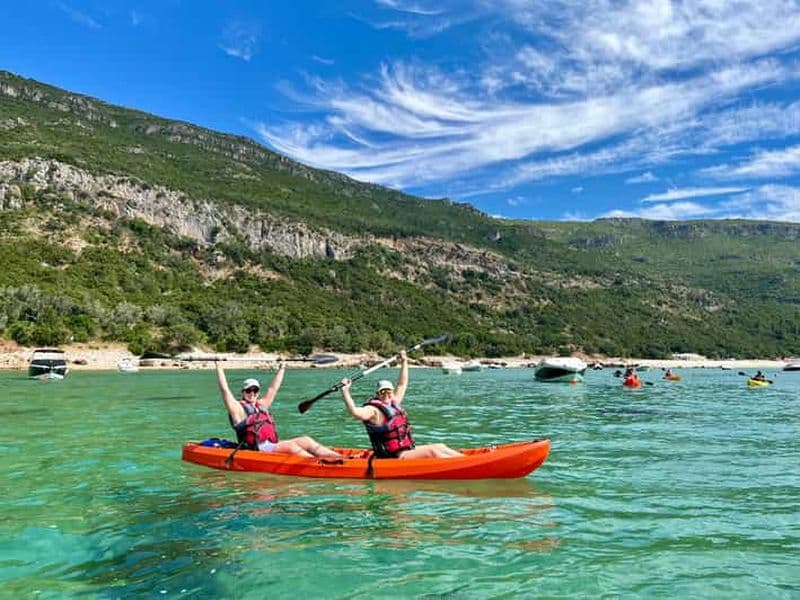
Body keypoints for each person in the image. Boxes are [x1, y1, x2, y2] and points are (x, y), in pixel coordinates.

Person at [339, 350, 464, 459]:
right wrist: (345, 391)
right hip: (394, 455)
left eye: (389, 391)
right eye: (382, 392)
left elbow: (402, 383)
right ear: (377, 394)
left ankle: (466, 460)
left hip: (406, 450)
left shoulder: (394, 402)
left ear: (392, 392)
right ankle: (461, 465)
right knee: (432, 451)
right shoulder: (372, 410)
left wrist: (404, 361)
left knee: (440, 446)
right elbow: (354, 412)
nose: (386, 395)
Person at [216, 361, 341, 458]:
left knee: (306, 440)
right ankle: (318, 464)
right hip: (255, 448)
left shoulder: (261, 405)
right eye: (248, 390)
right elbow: (225, 390)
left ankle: (340, 458)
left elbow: (273, 389)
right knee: (291, 446)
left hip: (269, 444)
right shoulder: (237, 408)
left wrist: (282, 368)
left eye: (255, 390)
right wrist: (219, 366)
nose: (252, 393)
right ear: (243, 392)